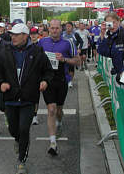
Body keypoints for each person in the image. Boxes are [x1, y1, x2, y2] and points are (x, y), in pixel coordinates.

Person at [0, 23, 53, 174]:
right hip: (10, 98)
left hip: (28, 98)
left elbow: (48, 71)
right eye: (12, 34)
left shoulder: (37, 51)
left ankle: (21, 160)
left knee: (24, 129)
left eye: (16, 34)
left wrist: (45, 81)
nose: (12, 37)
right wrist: (0, 83)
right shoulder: (4, 51)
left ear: (25, 36)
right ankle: (17, 140)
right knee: (14, 130)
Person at [39, 19, 80, 156]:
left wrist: (64, 60)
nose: (54, 30)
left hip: (61, 80)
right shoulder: (42, 42)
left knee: (58, 110)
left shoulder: (68, 43)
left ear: (60, 29)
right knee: (51, 109)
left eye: (57, 28)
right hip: (47, 81)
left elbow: (77, 60)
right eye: (52, 28)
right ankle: (53, 142)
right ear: (48, 29)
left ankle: (60, 120)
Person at [97, 12, 124, 84]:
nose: (113, 25)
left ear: (119, 22)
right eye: (109, 23)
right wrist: (102, 34)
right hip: (118, 74)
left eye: (114, 22)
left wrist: (123, 73)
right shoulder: (109, 35)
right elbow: (103, 52)